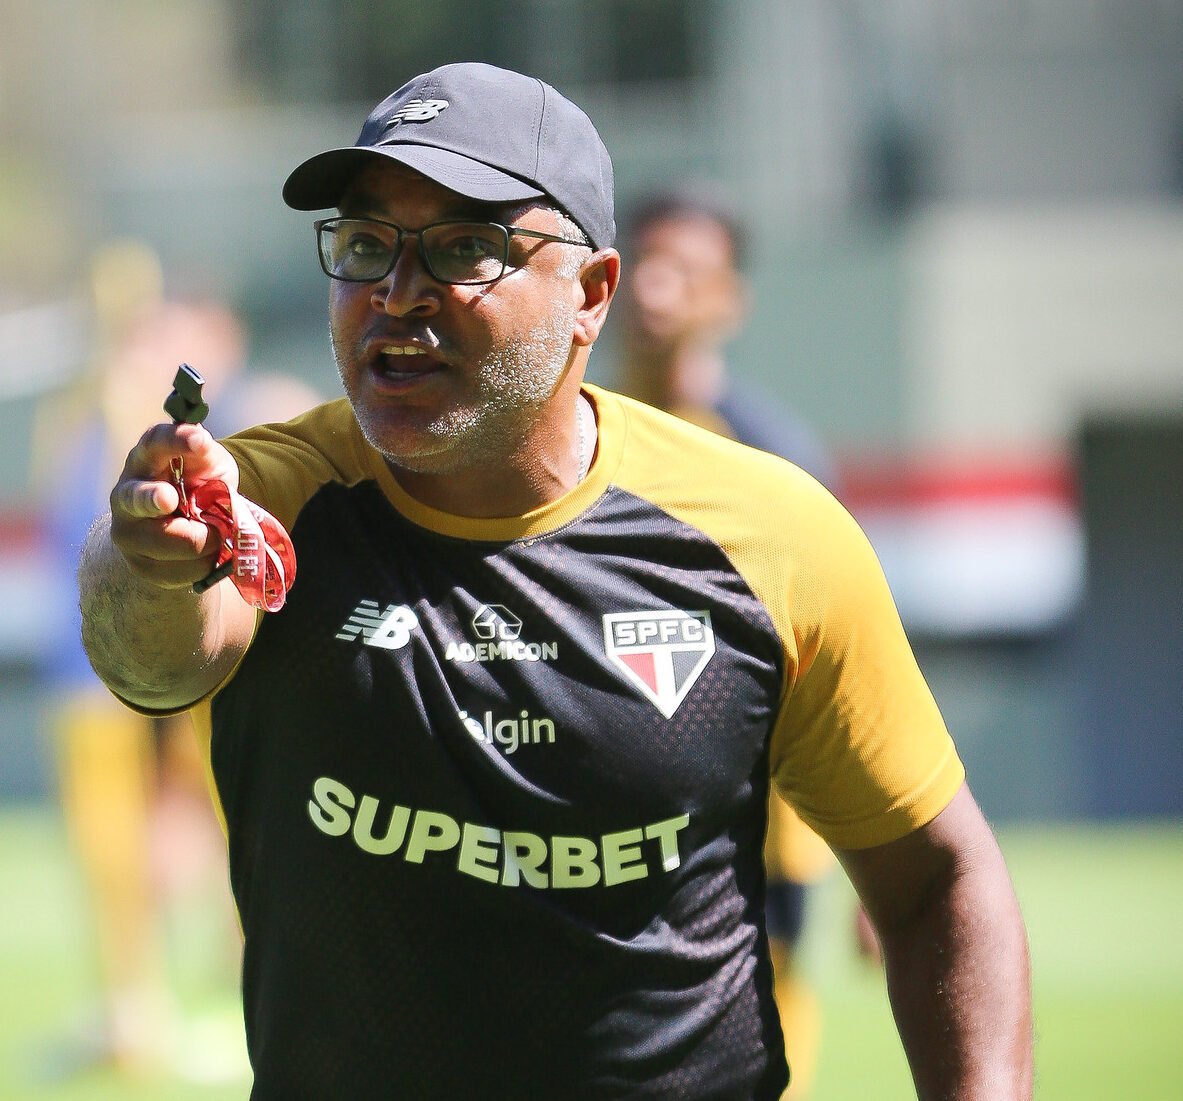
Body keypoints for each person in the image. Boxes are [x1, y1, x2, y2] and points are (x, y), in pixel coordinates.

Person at [77, 62, 1032, 1099]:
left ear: (590, 294)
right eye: (363, 244)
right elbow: (152, 657)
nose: (397, 291)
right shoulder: (280, 494)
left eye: (462, 247)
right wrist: (150, 562)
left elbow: (937, 878)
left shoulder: (769, 533)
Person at [33, 241, 317, 1081]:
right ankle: (134, 1007)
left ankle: (257, 997)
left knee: (243, 828)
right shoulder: (97, 413)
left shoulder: (257, 408)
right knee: (115, 849)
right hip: (97, 663)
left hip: (218, 659)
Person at [617, 186, 842, 1099]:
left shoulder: (773, 461)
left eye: (685, 270)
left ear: (729, 300)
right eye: (644, 263)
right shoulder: (560, 439)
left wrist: (884, 863)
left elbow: (840, 657)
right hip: (592, 803)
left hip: (752, 826)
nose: (655, 289)